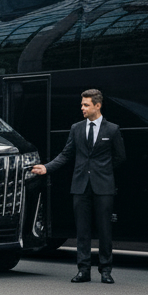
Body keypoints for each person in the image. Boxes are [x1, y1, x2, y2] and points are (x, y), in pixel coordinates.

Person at [30, 88, 126, 283]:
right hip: (80, 186)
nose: (82, 108)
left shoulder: (112, 129)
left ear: (97, 106)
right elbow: (66, 155)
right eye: (82, 104)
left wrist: (103, 170)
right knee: (82, 231)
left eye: (86, 105)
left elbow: (120, 157)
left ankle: (106, 271)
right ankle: (83, 270)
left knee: (105, 230)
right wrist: (47, 168)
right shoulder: (76, 128)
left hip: (103, 187)